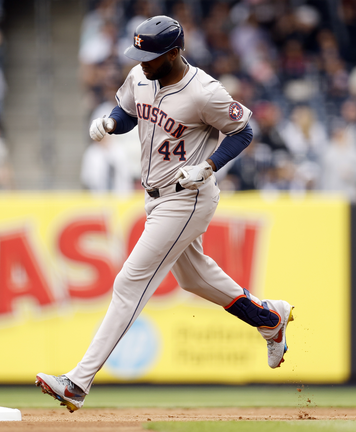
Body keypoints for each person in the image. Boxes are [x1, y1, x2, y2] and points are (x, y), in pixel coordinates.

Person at [35, 16, 295, 413]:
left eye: (150, 56)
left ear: (174, 53)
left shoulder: (205, 91)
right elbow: (127, 111)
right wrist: (110, 122)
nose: (142, 62)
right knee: (194, 276)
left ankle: (77, 383)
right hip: (154, 196)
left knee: (129, 283)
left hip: (187, 196)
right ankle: (268, 318)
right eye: (138, 54)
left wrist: (208, 165)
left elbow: (243, 131)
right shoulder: (141, 76)